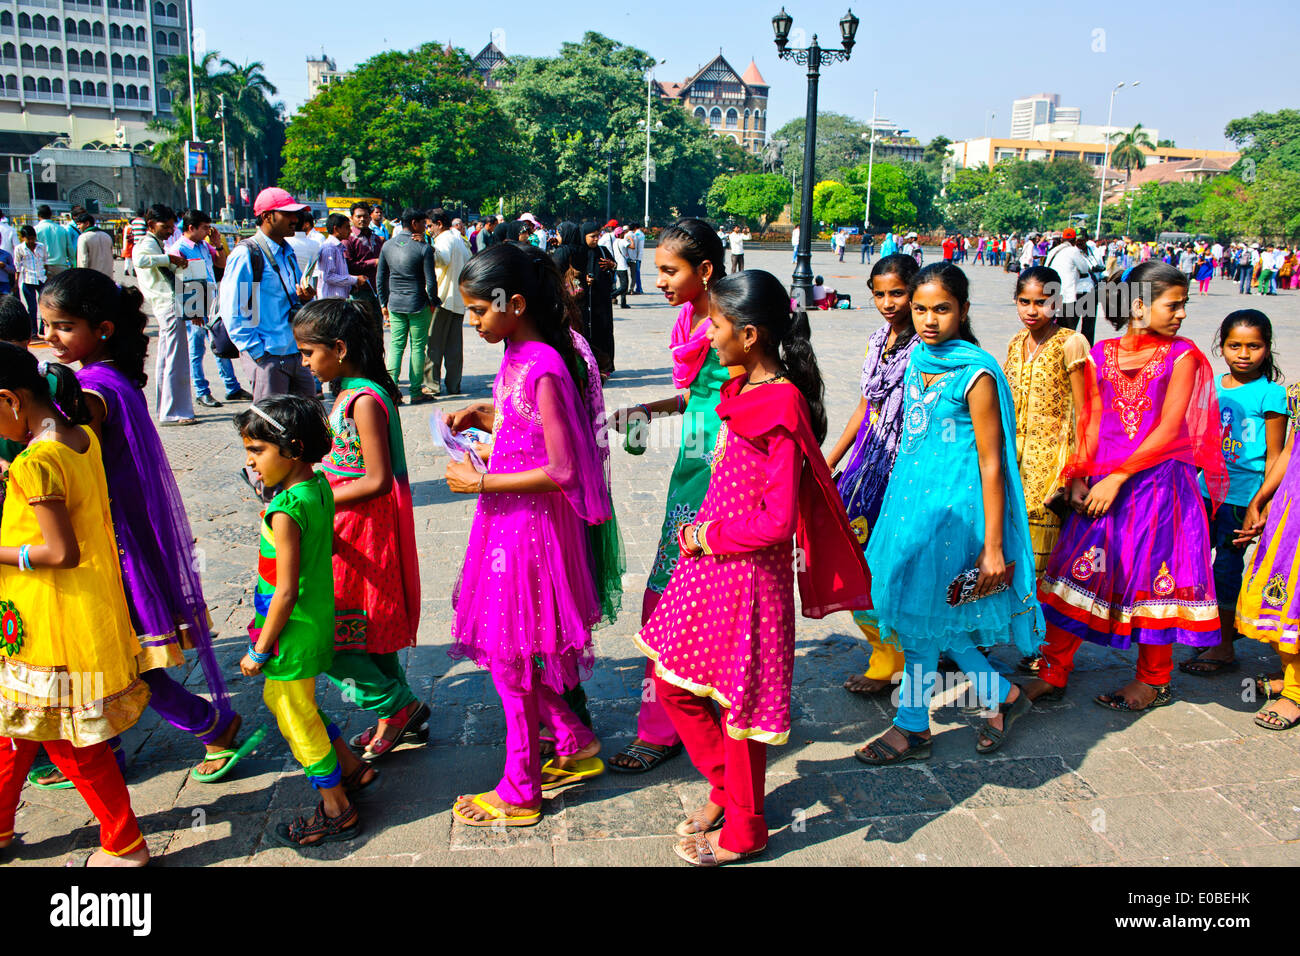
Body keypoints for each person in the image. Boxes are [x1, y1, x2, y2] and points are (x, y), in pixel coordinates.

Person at [637, 269, 869, 865]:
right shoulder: (740, 389)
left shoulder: (781, 403)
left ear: (749, 335)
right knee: (672, 683)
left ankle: (746, 827)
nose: (707, 335)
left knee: (739, 711)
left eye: (715, 324)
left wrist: (706, 535)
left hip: (747, 580)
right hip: (708, 569)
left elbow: (776, 521)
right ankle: (726, 788)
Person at [29, 269, 262, 790]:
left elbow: (56, 441)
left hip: (111, 543)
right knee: (112, 654)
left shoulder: (91, 388)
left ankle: (210, 725)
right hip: (109, 536)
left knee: (125, 656)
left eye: (63, 326)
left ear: (103, 327)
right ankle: (109, 744)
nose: (50, 337)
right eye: (45, 325)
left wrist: (29, 395)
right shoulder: (106, 375)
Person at [445, 242, 614, 826]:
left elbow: (565, 468)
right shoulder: (517, 351)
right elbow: (528, 424)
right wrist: (481, 416)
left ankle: (521, 788)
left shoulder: (542, 361)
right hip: (509, 520)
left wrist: (482, 482)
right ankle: (572, 739)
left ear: (512, 303)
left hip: (530, 525)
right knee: (505, 651)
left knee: (510, 658)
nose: (472, 322)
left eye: (477, 311)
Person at [856, 262, 1041, 765]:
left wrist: (994, 546)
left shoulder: (975, 371)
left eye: (942, 309)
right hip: (911, 508)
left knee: (923, 619)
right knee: (930, 617)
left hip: (958, 516)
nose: (929, 320)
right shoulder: (916, 358)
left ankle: (912, 726)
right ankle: (1002, 696)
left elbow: (992, 462)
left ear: (962, 310)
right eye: (920, 309)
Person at [1026, 262, 1227, 712]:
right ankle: (1054, 667)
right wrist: (1078, 474)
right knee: (1079, 571)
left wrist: (1118, 477)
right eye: (1172, 305)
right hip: (1100, 483)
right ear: (1138, 305)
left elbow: (1172, 427)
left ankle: (1153, 679)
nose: (1181, 314)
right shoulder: (1102, 353)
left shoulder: (1184, 356)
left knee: (1156, 579)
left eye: (1183, 305)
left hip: (1157, 487)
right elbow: (1090, 420)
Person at [0, 347, 151, 866]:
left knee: (69, 742)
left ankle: (125, 844)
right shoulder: (79, 437)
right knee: (15, 731)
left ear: (10, 402)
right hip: (62, 613)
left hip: (51, 620)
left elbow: (59, 551)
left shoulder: (36, 461)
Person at [605, 219, 727, 774]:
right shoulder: (687, 318)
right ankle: (666, 719)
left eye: (668, 271)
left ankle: (705, 715)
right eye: (656, 270)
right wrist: (649, 412)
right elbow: (694, 395)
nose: (657, 281)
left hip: (729, 468)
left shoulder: (732, 319)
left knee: (712, 593)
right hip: (691, 468)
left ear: (704, 271)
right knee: (669, 586)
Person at [289, 299, 429, 763]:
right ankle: (398, 714)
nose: (304, 363)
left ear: (340, 348)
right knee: (370, 631)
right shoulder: (350, 391)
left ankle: (397, 705)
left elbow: (376, 478)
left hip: (360, 532)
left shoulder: (363, 400)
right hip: (350, 527)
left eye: (309, 353)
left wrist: (315, 498)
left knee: (338, 638)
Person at [234, 395, 373, 848]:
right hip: (314, 622)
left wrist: (259, 649)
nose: (251, 462)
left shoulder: (284, 510)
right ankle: (351, 767)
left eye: (257, 451)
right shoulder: (317, 487)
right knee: (289, 702)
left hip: (289, 633)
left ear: (291, 449)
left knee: (296, 719)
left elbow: (285, 590)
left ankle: (337, 807)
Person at [827, 253, 920, 696]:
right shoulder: (876, 341)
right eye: (879, 294)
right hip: (867, 463)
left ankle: (899, 656)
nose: (887, 303)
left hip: (908, 467)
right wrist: (831, 460)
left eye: (897, 293)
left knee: (898, 565)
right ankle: (884, 649)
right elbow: (865, 407)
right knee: (854, 557)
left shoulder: (931, 348)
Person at [1178, 310, 1285, 676]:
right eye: (1234, 345)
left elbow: (1274, 455)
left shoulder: (1271, 394)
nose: (1243, 353)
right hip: (1203, 492)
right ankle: (1204, 630)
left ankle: (1223, 646)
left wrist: (1265, 503)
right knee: (1193, 565)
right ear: (1221, 346)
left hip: (1242, 499)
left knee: (1225, 566)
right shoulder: (1213, 386)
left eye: (1253, 346)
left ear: (1267, 348)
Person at [1003, 266, 1090, 676]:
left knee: (1043, 561)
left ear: (1058, 303)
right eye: (1025, 301)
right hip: (1013, 462)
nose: (1033, 310)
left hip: (1052, 461)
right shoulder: (1016, 342)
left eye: (1043, 302)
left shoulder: (1072, 343)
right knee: (1012, 551)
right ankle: (1017, 634)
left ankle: (1042, 644)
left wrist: (1077, 472)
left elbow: (1086, 411)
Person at [218, 187, 318, 416]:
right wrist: (258, 352)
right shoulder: (248, 254)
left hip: (295, 351)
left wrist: (303, 298)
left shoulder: (287, 251)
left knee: (307, 422)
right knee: (272, 427)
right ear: (267, 216)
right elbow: (236, 309)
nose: (295, 220)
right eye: (288, 214)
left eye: (297, 214)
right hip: (269, 356)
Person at [171, 209, 249, 408]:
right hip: (195, 303)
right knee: (196, 350)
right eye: (205, 228)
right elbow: (181, 280)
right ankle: (201, 391)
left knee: (220, 345)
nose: (208, 231)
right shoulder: (178, 248)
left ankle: (232, 387)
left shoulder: (204, 245)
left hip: (212, 302)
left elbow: (221, 264)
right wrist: (193, 310)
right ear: (191, 228)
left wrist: (217, 245)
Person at [131, 204, 197, 425]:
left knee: (169, 358)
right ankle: (173, 411)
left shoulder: (157, 244)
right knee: (174, 359)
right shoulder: (147, 243)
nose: (170, 231)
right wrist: (169, 259)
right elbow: (139, 260)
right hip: (167, 305)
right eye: (166, 227)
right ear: (151, 225)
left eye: (171, 226)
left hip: (167, 304)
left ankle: (169, 408)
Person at [376, 208, 438, 404]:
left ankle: (391, 391)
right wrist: (433, 301)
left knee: (396, 346)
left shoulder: (387, 245)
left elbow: (380, 277)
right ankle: (415, 391)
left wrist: (383, 302)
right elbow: (431, 281)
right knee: (418, 347)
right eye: (423, 224)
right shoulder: (423, 248)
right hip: (418, 303)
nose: (425, 228)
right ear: (414, 224)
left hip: (395, 303)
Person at [427, 206, 469, 397]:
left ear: (439, 224)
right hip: (458, 299)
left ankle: (431, 385)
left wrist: (427, 249)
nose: (429, 230)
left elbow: (441, 259)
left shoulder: (444, 239)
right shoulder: (460, 239)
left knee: (434, 344)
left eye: (430, 226)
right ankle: (454, 384)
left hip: (443, 298)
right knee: (454, 347)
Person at [579, 220, 617, 379]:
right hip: (585, 302)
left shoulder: (602, 251)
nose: (596, 239)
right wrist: (584, 280)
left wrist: (611, 265)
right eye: (592, 236)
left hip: (601, 300)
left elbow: (612, 268)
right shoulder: (578, 253)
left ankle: (606, 365)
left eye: (597, 235)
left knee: (604, 331)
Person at [1045, 228, 1097, 344]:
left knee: (1058, 329)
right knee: (1069, 331)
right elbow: (1084, 269)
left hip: (1054, 294)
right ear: (1074, 240)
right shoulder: (1073, 251)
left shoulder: (1054, 250)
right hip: (1069, 296)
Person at [343, 202, 384, 309]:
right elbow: (348, 265)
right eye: (358, 216)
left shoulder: (376, 238)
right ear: (352, 218)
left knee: (376, 323)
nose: (362, 219)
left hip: (377, 289)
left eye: (365, 216)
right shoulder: (348, 239)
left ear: (370, 218)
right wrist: (373, 262)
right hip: (358, 290)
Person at [317, 213, 363, 300]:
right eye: (347, 227)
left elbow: (339, 274)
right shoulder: (329, 248)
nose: (350, 231)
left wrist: (350, 285)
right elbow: (328, 276)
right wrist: (355, 280)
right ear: (336, 229)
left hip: (339, 299)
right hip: (331, 301)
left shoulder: (338, 247)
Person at [14, 225, 46, 340]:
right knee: (32, 307)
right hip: (28, 279)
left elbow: (45, 261)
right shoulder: (19, 249)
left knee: (44, 305)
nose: (32, 241)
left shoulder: (41, 247)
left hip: (41, 278)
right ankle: (33, 331)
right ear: (23, 238)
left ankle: (43, 329)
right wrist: (16, 282)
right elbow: (17, 267)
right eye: (29, 238)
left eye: (33, 238)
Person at [34, 205, 71, 280]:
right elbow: (69, 248)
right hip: (61, 265)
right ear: (51, 215)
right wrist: (73, 263)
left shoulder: (36, 230)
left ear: (38, 216)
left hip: (44, 266)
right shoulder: (62, 229)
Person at [74, 211, 114, 278]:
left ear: (87, 223)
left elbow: (83, 261)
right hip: (107, 276)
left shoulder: (84, 237)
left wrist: (81, 277)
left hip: (92, 277)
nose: (78, 227)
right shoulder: (107, 236)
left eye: (79, 224)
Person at [611, 227, 631, 310]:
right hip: (622, 266)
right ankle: (612, 295)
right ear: (620, 234)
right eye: (623, 233)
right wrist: (630, 239)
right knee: (624, 286)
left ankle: (623, 303)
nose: (624, 234)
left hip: (618, 266)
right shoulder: (622, 241)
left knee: (624, 286)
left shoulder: (615, 242)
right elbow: (632, 246)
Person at [628, 224, 645, 293]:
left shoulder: (637, 234)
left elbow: (636, 247)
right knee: (637, 273)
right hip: (639, 256)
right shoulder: (641, 234)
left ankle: (639, 289)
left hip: (637, 257)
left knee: (636, 273)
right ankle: (639, 288)